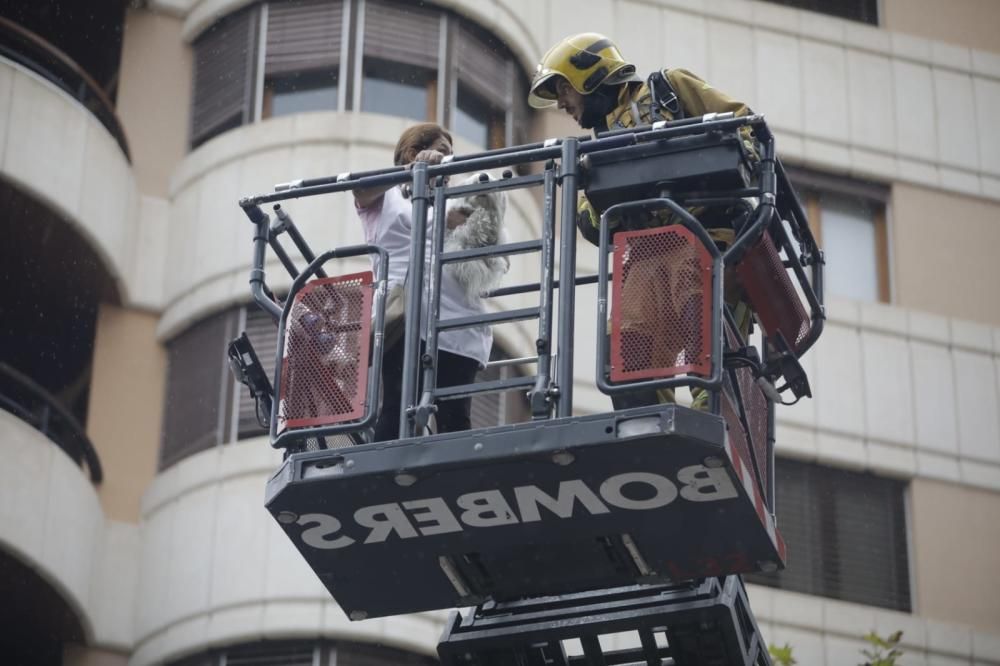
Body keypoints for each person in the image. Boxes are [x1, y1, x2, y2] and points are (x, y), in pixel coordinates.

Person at [527, 33, 757, 410]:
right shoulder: (599, 150)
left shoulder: (670, 89)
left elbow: (743, 125)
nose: (562, 103)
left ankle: (715, 410)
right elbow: (592, 222)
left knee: (699, 309)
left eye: (564, 89)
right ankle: (648, 422)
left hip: (708, 234)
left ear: (589, 76)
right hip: (650, 254)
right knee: (627, 343)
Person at [354, 123, 494, 440]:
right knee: (397, 408)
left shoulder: (454, 201)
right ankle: (386, 479)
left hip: (458, 320)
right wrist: (412, 171)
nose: (448, 164)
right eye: (443, 154)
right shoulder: (387, 197)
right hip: (405, 317)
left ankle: (456, 481)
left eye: (451, 158)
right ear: (413, 152)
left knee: (455, 419)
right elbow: (360, 189)